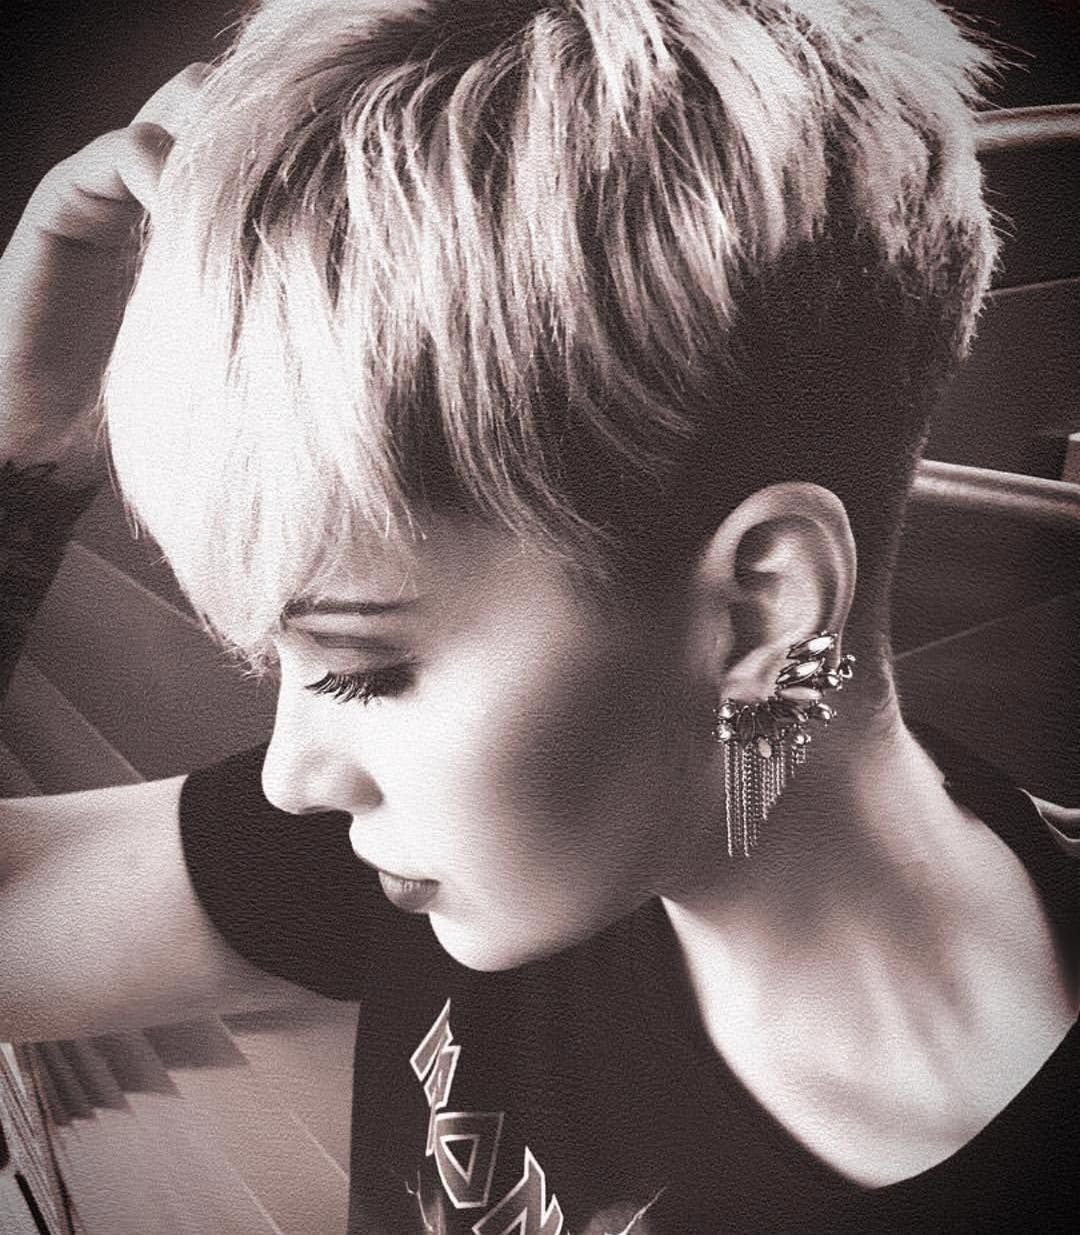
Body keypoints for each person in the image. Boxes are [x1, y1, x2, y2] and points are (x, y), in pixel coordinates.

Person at [1, 1, 1076, 1231]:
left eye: (365, 669)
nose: (294, 781)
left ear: (760, 608)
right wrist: (20, 424)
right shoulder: (510, 840)